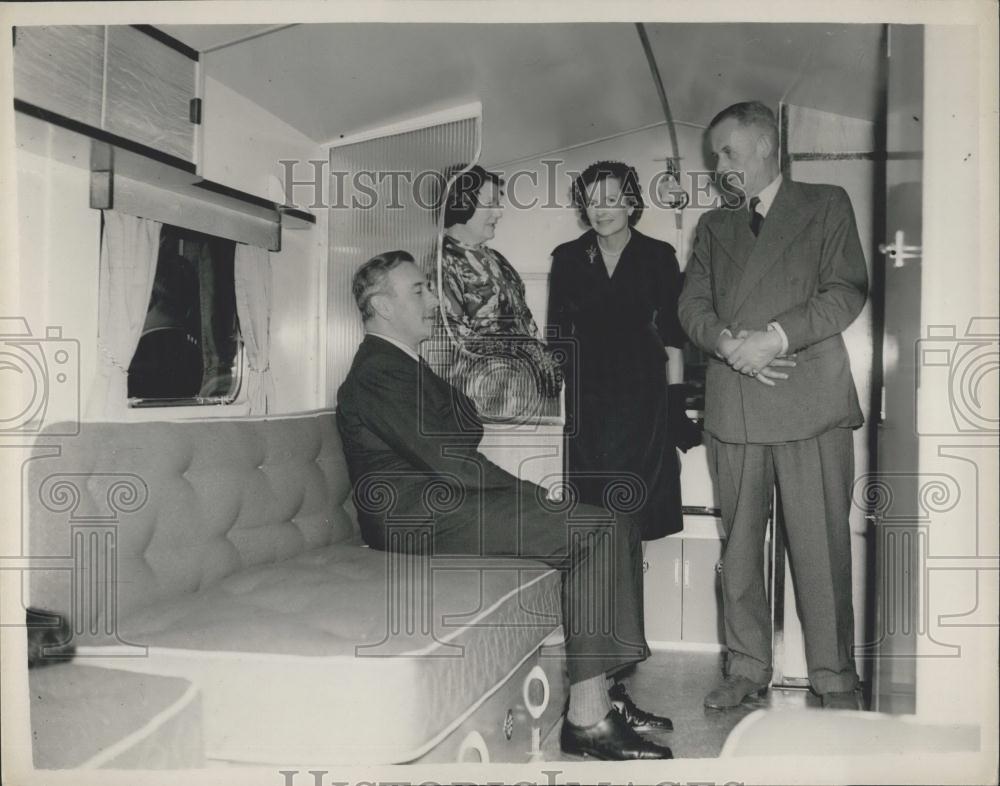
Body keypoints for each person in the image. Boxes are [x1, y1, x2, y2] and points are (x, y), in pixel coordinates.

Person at [337, 250, 673, 759]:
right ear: (382, 306)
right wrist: (531, 493)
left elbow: (469, 420)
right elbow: (454, 458)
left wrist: (465, 437)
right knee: (595, 529)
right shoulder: (378, 372)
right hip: (415, 519)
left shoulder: (406, 364)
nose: (432, 299)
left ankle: (607, 692)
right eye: (419, 291)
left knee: (613, 518)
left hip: (442, 504)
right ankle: (588, 720)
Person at [678, 101, 868, 711]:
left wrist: (775, 338)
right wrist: (732, 345)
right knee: (738, 550)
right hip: (735, 405)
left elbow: (846, 291)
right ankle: (746, 667)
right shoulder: (712, 227)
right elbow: (691, 308)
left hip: (810, 400)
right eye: (714, 159)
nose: (719, 167)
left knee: (820, 545)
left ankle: (835, 675)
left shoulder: (826, 203)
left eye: (727, 153)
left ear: (764, 145)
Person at [547, 160, 702, 543]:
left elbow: (673, 337)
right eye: (592, 201)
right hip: (589, 399)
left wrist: (674, 405)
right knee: (592, 515)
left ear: (631, 203)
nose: (601, 210)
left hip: (644, 396)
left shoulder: (658, 255)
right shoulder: (567, 258)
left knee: (639, 511)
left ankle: (632, 587)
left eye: (612, 199)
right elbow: (557, 339)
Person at [436, 164, 561, 419]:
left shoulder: (498, 259)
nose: (499, 212)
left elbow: (527, 325)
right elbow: (454, 340)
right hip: (478, 399)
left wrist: (543, 355)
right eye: (490, 203)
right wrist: (524, 348)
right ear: (463, 201)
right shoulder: (440, 262)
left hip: (524, 392)